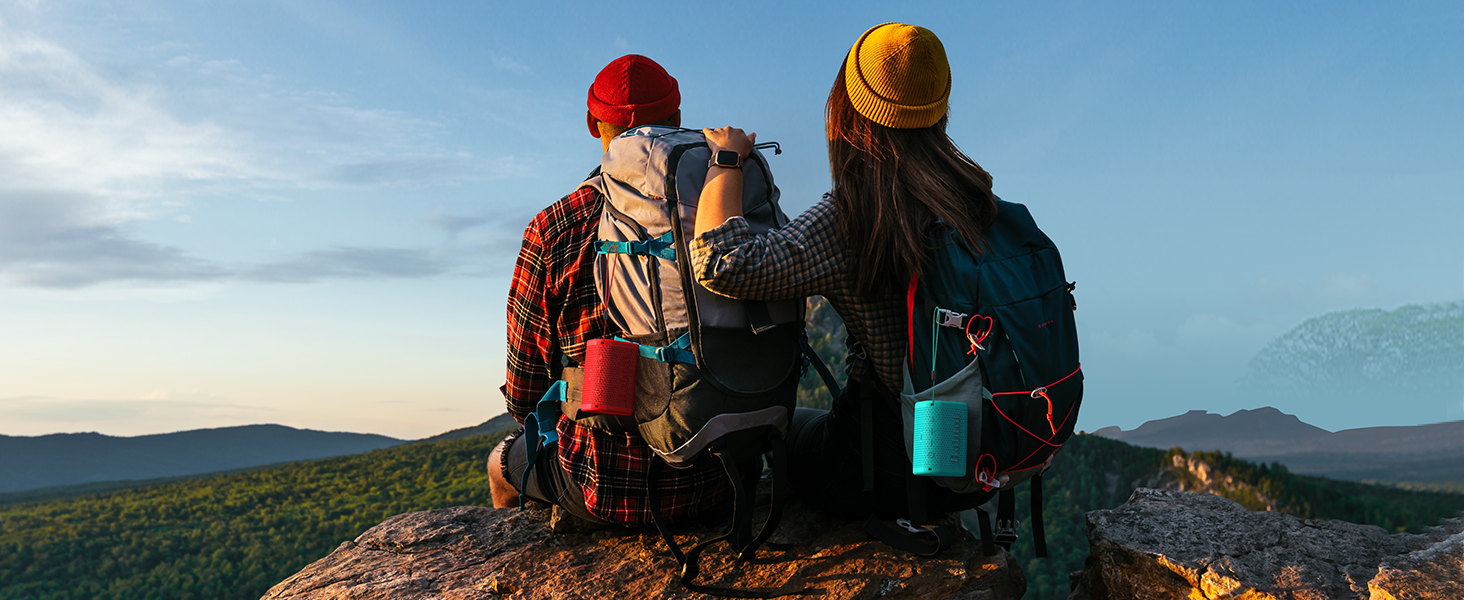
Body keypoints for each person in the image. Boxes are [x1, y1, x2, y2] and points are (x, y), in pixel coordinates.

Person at [690, 23, 1001, 520]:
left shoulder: (856, 213)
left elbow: (722, 263)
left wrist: (726, 161)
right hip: (984, 455)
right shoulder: (977, 197)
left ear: (849, 108)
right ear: (939, 106)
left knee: (782, 430)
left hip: (891, 466)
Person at [488, 54, 734, 527]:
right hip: (723, 470)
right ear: (677, 118)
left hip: (606, 487)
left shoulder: (554, 227)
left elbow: (524, 395)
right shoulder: (724, 204)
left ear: (591, 124)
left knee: (500, 465)